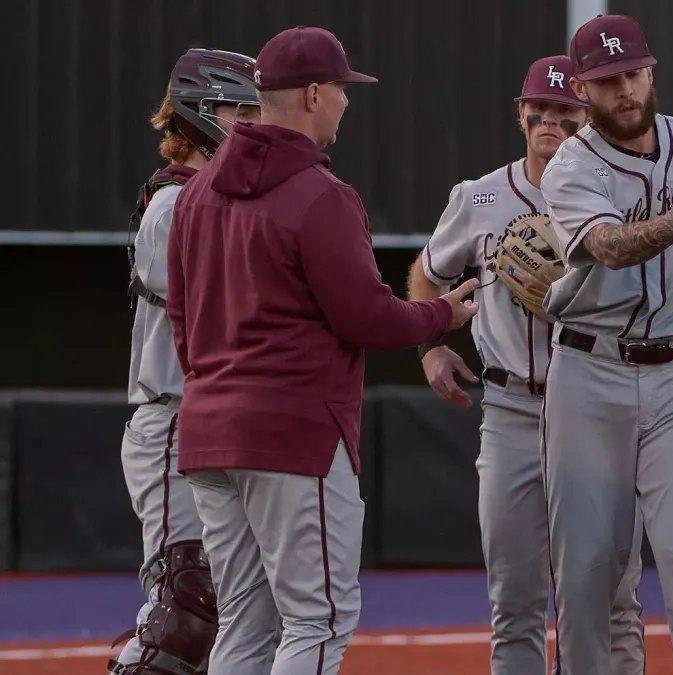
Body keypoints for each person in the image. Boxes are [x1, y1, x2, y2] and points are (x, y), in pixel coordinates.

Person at [165, 26, 478, 674]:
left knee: (245, 628)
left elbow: (181, 318)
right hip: (294, 433)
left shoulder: (194, 192)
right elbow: (365, 315)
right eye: (340, 89)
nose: (344, 102)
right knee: (318, 619)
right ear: (312, 94)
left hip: (206, 432)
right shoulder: (321, 195)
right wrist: (440, 313)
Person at [406, 54, 646, 675]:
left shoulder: (619, 192)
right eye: (541, 108)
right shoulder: (481, 196)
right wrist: (430, 345)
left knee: (611, 601)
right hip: (512, 407)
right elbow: (427, 275)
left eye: (567, 110)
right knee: (514, 603)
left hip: (599, 404)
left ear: (585, 116)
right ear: (521, 113)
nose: (551, 120)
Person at [538, 13, 673, 675]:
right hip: (587, 372)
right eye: (606, 80)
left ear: (650, 70)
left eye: (632, 72)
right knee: (588, 570)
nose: (623, 89)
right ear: (582, 88)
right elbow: (607, 247)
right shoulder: (571, 167)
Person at [111, 47, 260, 675]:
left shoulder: (216, 195)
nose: (253, 122)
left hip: (218, 422)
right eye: (240, 109)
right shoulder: (175, 204)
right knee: (188, 607)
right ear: (202, 112)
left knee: (236, 612)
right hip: (173, 418)